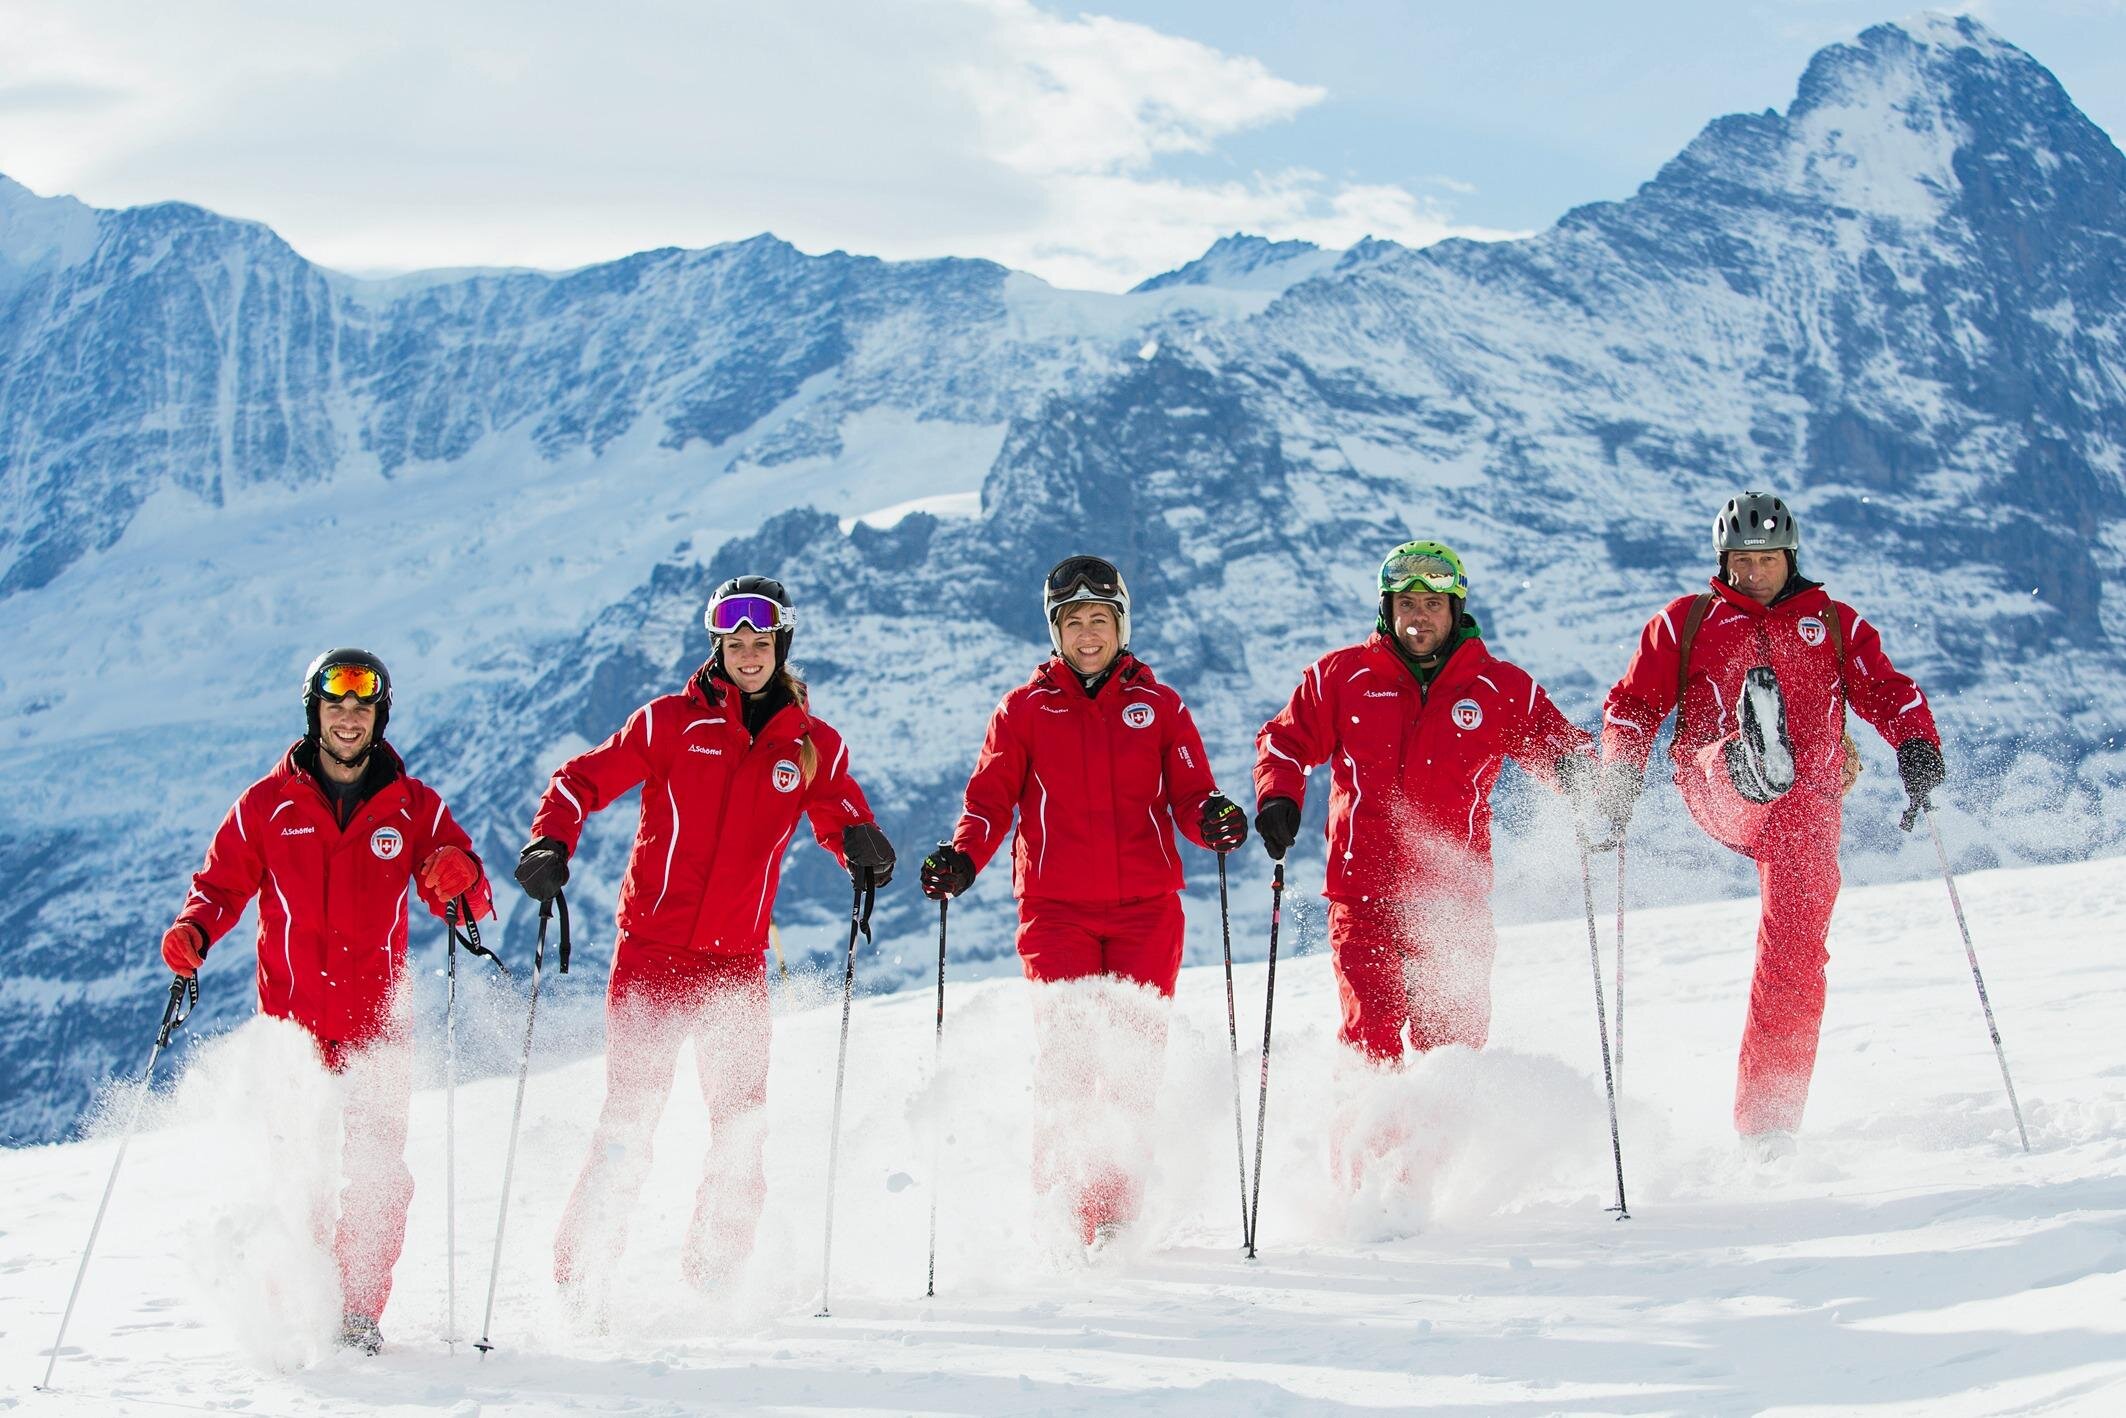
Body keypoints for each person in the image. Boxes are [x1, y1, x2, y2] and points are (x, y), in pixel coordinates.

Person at [513, 575, 894, 1307]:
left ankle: (716, 1277)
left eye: (761, 642)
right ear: (718, 647)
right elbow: (578, 782)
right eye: (735, 642)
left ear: (781, 646)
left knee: (741, 1125)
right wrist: (549, 841)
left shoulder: (811, 746)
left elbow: (841, 812)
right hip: (651, 954)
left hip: (735, 967)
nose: (748, 654)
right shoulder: (669, 723)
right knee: (630, 1117)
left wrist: (860, 844)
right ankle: (581, 1277)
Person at [160, 649, 493, 1355]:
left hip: (377, 1028)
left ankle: (358, 1316)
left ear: (379, 717)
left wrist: (459, 876)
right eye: (335, 705)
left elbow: (467, 894)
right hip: (294, 1031)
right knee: (299, 1180)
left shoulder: (413, 806)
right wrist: (195, 929)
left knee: (379, 1180)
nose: (348, 718)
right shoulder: (267, 804)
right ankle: (303, 1309)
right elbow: (219, 886)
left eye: (362, 707)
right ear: (314, 713)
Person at [1595, 491, 1944, 1159]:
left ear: (1791, 558)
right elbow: (1633, 705)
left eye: (1767, 561)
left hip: (1808, 806)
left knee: (1798, 953)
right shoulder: (1687, 622)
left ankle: (1769, 1123)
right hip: (1714, 779)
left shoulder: (1833, 623)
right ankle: (1751, 758)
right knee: (1740, 773)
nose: (1754, 574)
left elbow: (1888, 691)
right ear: (1723, 561)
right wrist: (1619, 777)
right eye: (1742, 562)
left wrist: (1917, 745)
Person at [919, 555, 1246, 1248]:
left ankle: (1118, 1216)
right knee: (1069, 1064)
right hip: (1056, 911)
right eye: (1073, 622)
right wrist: (963, 857)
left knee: (1132, 1065)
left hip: (1146, 911)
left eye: (1101, 618)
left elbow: (1192, 796)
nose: (1088, 633)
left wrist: (1214, 818)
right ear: (1055, 631)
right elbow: (988, 803)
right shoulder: (1023, 710)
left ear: (1122, 626)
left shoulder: (1161, 706)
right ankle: (1065, 1215)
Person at [1252, 541, 1592, 1068]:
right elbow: (1284, 742)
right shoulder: (1343, 677)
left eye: (1432, 604)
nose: (1418, 617)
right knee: (1371, 1052)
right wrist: (1278, 795)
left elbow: (1562, 750)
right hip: (1364, 898)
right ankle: (1370, 1127)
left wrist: (1586, 782)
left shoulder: (1498, 687)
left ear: (1455, 609)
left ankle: (1448, 1126)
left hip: (1452, 905)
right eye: (1406, 604)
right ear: (1386, 609)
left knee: (1452, 1057)